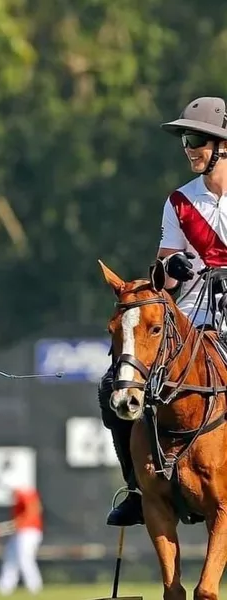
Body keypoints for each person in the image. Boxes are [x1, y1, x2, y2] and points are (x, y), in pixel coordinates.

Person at [99, 96, 227, 526]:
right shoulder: (179, 202)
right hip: (187, 319)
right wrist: (169, 267)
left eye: (196, 140)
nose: (189, 148)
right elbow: (163, 275)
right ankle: (138, 487)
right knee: (111, 386)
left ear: (222, 146)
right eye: (186, 141)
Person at [0, 487, 44, 596]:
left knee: (25, 559)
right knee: (11, 558)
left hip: (29, 532)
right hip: (20, 532)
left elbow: (34, 510)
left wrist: (10, 526)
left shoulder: (25, 496)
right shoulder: (18, 503)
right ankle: (4, 588)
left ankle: (34, 587)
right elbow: (16, 523)